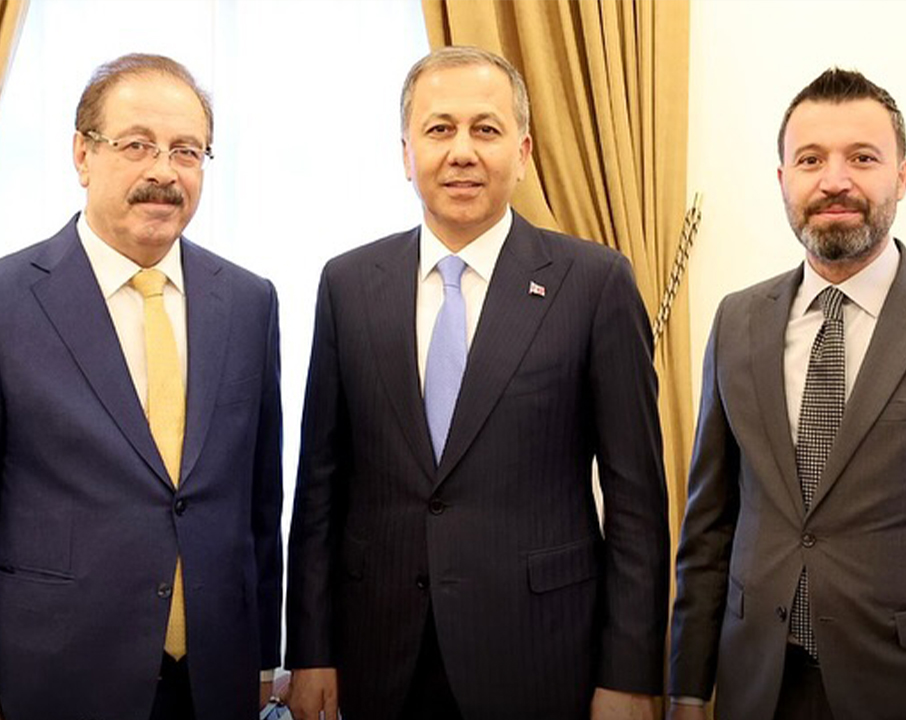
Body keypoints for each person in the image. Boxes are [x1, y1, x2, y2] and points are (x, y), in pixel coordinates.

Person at [285, 46, 670, 720]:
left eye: (485, 130)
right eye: (439, 129)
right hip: (379, 654)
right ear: (406, 153)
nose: (461, 151)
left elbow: (636, 501)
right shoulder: (348, 285)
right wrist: (311, 649)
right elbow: (319, 486)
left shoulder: (595, 284)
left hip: (543, 653)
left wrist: (630, 675)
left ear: (522, 153)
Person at [667, 68, 906, 720]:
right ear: (783, 179)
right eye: (810, 159)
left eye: (863, 158)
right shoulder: (737, 320)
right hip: (756, 686)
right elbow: (709, 524)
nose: (834, 180)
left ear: (902, 176)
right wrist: (685, 688)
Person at [0, 54, 283, 720]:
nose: (163, 171)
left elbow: (259, 506)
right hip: (56, 682)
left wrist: (262, 660)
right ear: (82, 154)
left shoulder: (249, 302)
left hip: (216, 684)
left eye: (186, 151)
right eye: (137, 145)